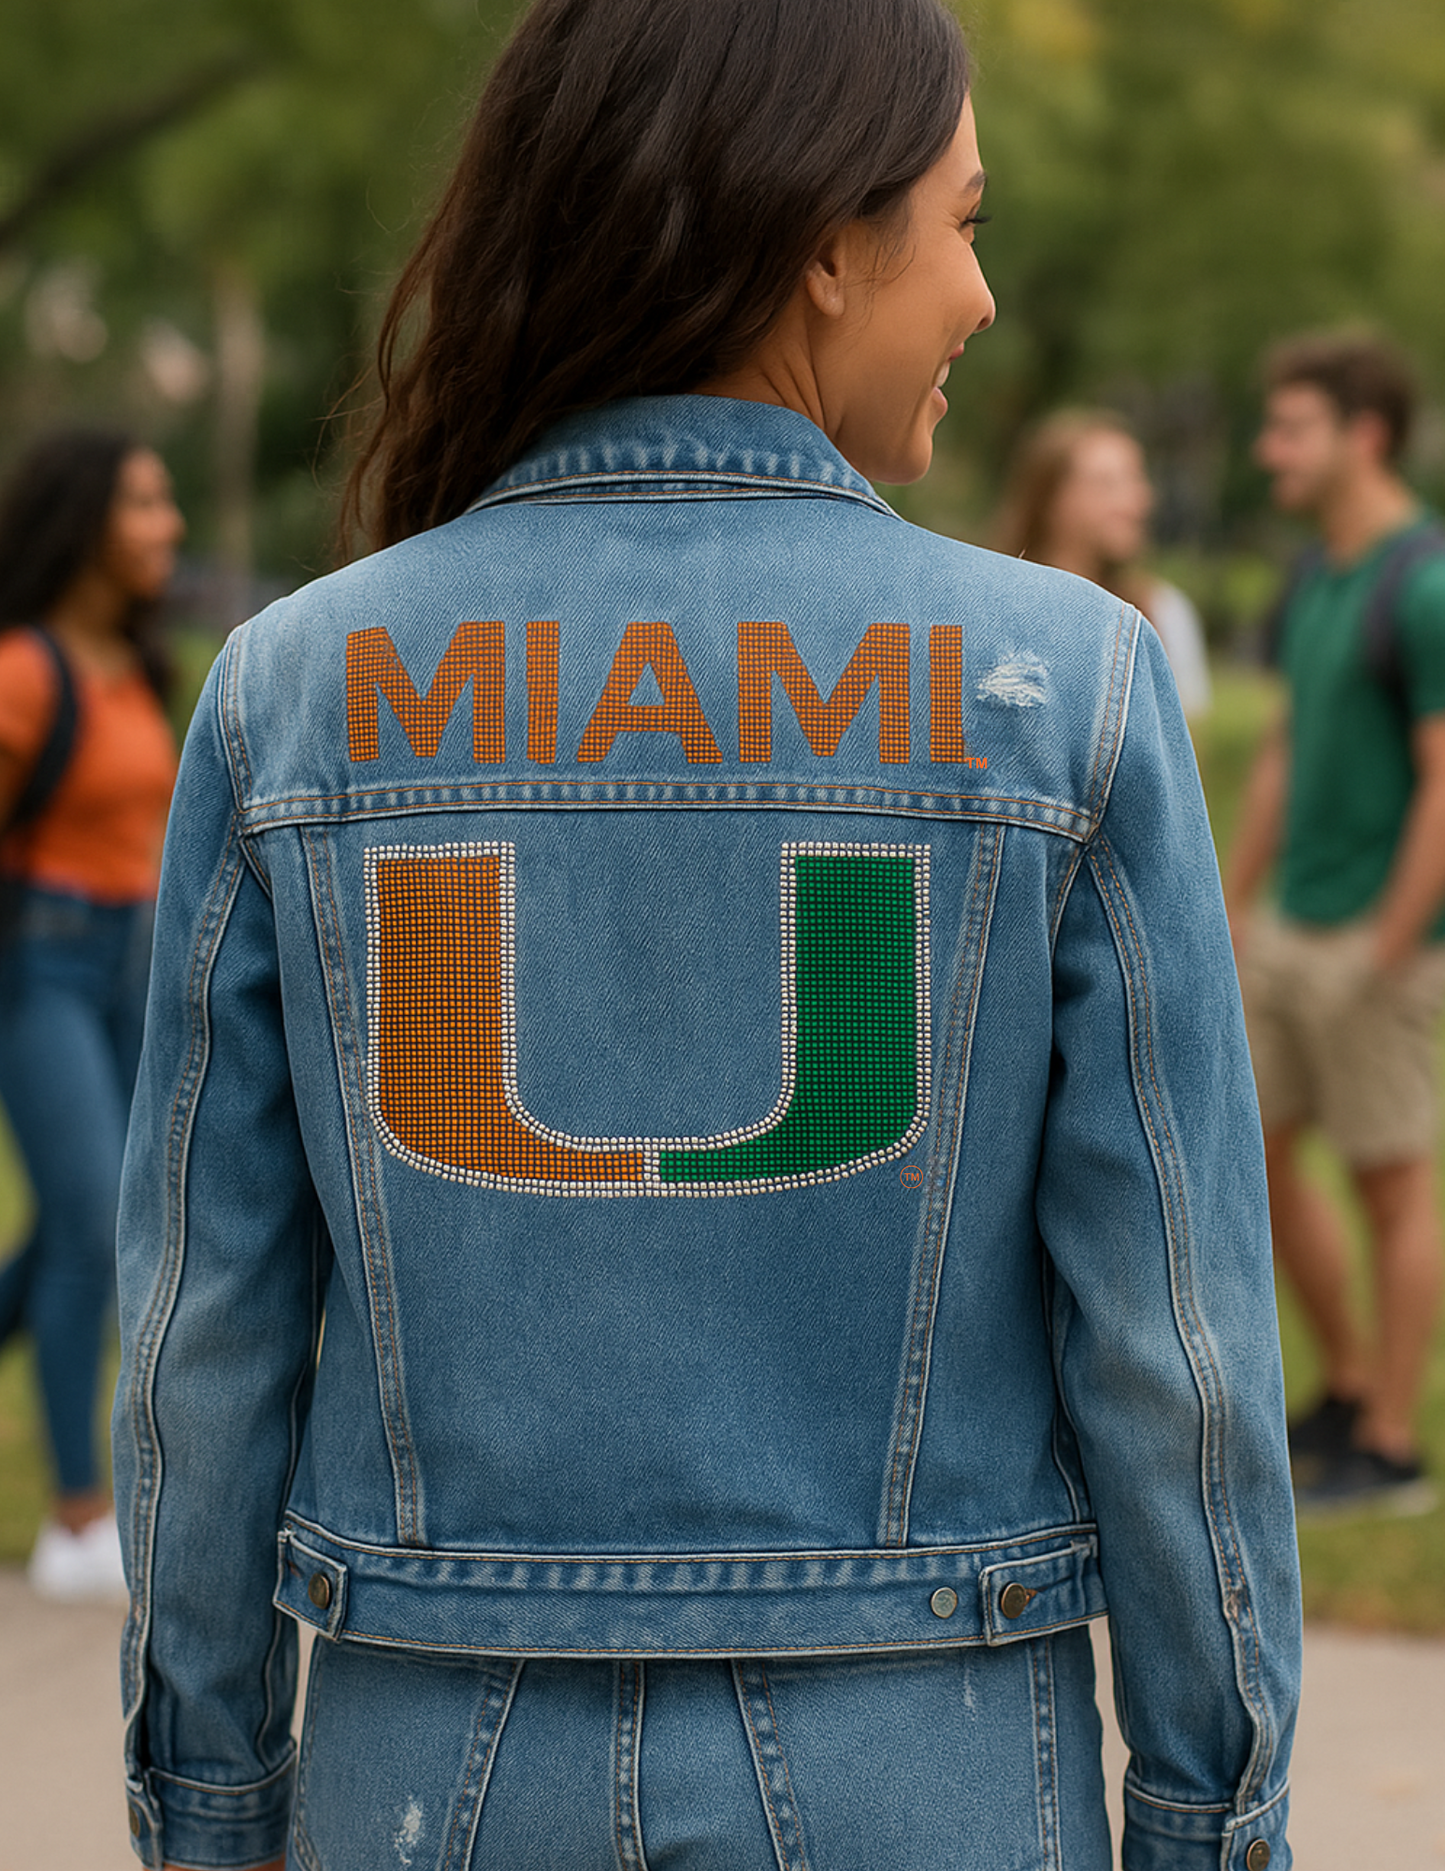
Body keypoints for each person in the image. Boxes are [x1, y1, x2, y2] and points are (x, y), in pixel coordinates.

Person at [113, 2, 1299, 1866]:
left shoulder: (292, 692)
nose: (982, 297)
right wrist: (1213, 1817)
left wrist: (208, 1802)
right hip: (926, 1757)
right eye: (965, 222)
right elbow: (1181, 1354)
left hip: (431, 1765)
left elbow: (205, 1334)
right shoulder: (1067, 686)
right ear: (825, 243)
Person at [1229, 332, 1445, 1515]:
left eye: (1289, 427)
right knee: (1253, 1159)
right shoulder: (1315, 574)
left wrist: (1388, 941)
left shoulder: (1424, 582)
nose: (1268, 449)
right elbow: (1282, 749)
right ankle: (1346, 1384)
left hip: (1377, 943)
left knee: (1390, 1191)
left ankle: (1391, 1446)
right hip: (1286, 930)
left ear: (1362, 434)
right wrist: (1228, 902)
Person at [0, 426, 181, 1600]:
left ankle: (81, 1510)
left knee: (96, 1219)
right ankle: (78, 1519)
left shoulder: (134, 663)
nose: (169, 523)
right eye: (143, 502)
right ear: (84, 522)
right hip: (42, 965)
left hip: (131, 963)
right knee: (89, 1223)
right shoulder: (25, 669)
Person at [993, 408, 1212, 719]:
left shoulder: (1163, 612)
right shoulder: (995, 609)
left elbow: (1184, 738)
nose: (1138, 501)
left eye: (1137, 481)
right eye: (1108, 484)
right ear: (1050, 499)